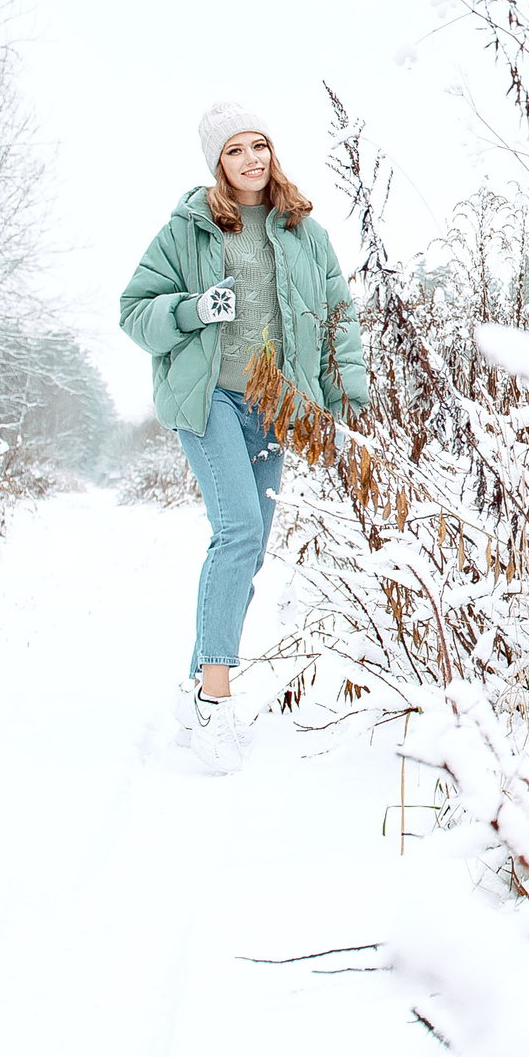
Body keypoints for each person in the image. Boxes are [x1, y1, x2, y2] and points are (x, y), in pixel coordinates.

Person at [118, 102, 369, 771]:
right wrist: (195, 309)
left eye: (260, 145)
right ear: (217, 163)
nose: (253, 158)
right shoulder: (188, 231)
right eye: (236, 149)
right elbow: (133, 312)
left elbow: (338, 314)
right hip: (211, 402)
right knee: (237, 535)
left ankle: (199, 680)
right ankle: (213, 709)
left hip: (276, 407)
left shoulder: (301, 230)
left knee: (250, 549)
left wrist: (346, 393)